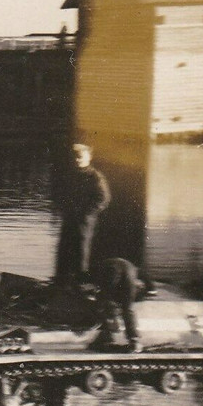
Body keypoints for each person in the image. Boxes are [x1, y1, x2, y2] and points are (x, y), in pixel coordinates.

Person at [54, 143, 112, 287]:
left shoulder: (95, 177)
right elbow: (59, 194)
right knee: (63, 248)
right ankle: (61, 282)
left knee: (81, 250)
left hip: (84, 221)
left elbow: (103, 198)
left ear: (89, 157)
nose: (77, 160)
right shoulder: (69, 175)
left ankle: (81, 283)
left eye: (80, 157)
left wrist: (86, 213)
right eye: (74, 157)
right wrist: (64, 208)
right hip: (69, 218)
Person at [91, 257, 147, 353]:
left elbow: (105, 295)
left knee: (106, 303)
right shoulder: (129, 276)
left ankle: (108, 336)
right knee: (127, 309)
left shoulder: (100, 272)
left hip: (114, 270)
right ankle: (134, 340)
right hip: (129, 270)